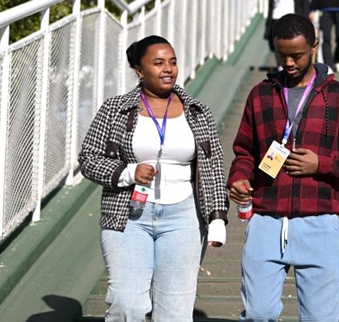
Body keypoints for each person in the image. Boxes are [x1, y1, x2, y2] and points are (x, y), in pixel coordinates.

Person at [228, 13, 339, 322]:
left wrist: (321, 164)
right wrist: (240, 177)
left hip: (320, 222)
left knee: (320, 318)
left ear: (314, 46)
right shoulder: (261, 94)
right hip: (266, 219)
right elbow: (244, 150)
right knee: (258, 313)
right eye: (282, 55)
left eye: (297, 55)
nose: (289, 62)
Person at [79, 35, 228, 320]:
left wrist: (217, 216)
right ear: (139, 70)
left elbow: (213, 168)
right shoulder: (114, 110)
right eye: (158, 63)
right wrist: (128, 172)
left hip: (184, 216)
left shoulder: (198, 112)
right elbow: (88, 159)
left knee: (175, 312)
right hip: (128, 215)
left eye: (172, 62)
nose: (168, 69)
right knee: (127, 304)